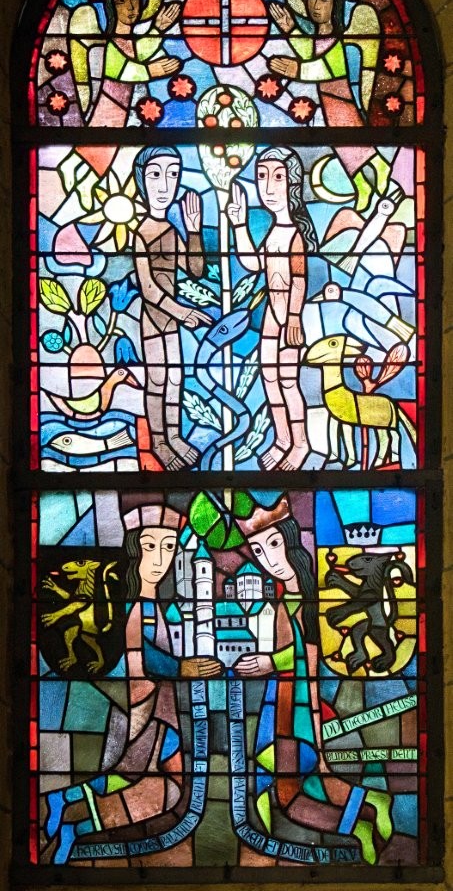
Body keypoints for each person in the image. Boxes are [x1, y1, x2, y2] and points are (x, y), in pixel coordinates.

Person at [43, 501, 221, 863]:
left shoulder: (156, 603)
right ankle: (72, 812)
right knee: (159, 783)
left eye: (169, 546)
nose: (160, 558)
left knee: (164, 787)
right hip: (138, 707)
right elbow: (138, 651)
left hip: (159, 707)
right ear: (133, 548)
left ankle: (74, 814)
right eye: (149, 546)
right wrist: (182, 668)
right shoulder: (134, 603)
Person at [235, 497, 393, 865]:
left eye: (274, 544)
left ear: (291, 541)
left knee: (289, 793)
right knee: (304, 784)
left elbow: (310, 656)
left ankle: (360, 823)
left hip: (296, 707)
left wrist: (269, 662)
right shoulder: (283, 601)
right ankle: (368, 807)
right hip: (283, 702)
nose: (269, 559)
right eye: (258, 551)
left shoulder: (306, 600)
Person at [227, 147, 317, 470]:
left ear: (293, 183)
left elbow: (299, 280)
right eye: (261, 176)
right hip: (271, 315)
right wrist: (239, 225)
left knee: (288, 381)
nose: (268, 186)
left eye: (278, 177)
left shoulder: (294, 236)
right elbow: (254, 265)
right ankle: (281, 439)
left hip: (288, 314)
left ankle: (300, 444)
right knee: (269, 378)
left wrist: (293, 318)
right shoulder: (273, 232)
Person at [268, 0, 390, 213]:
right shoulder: (320, 37)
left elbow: (326, 68)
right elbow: (308, 51)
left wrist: (296, 70)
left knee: (351, 140)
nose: (316, 4)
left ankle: (380, 166)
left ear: (336, 5)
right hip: (328, 103)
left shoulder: (337, 40)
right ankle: (362, 186)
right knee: (342, 146)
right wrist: (289, 28)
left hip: (342, 102)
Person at [61, 0, 181, 208]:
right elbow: (123, 70)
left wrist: (158, 28)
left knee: (104, 144)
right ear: (111, 7)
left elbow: (141, 51)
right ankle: (85, 182)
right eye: (121, 1)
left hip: (122, 103)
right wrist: (152, 71)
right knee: (106, 145)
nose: (131, 6)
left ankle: (71, 166)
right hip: (110, 102)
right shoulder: (111, 42)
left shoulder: (127, 41)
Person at [133, 147, 212, 470]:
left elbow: (194, 270)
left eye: (173, 174)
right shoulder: (141, 234)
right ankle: (159, 442)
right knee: (157, 379)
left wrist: (194, 231)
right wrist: (181, 312)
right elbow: (148, 289)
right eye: (155, 175)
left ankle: (175, 435)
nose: (165, 185)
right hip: (155, 318)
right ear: (142, 181)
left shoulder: (170, 230)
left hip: (171, 319)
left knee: (176, 378)